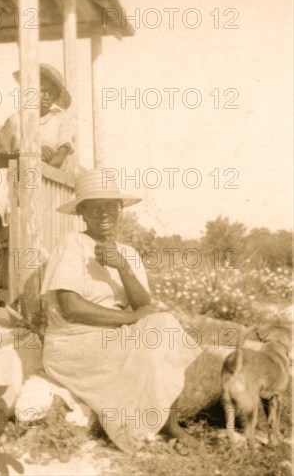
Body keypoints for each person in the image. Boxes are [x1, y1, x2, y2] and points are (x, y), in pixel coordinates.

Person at [40, 169, 202, 453]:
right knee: (151, 331)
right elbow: (70, 306)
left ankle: (171, 423)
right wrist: (129, 319)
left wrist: (122, 266)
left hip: (111, 335)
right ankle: (135, 427)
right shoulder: (73, 245)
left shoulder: (126, 252)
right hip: (73, 342)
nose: (105, 213)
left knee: (165, 326)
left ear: (119, 210)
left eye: (111, 206)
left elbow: (144, 305)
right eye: (96, 207)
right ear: (83, 213)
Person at [0, 64, 75, 287]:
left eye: (50, 91)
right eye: (38, 89)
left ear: (55, 96)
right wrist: (28, 154)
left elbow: (58, 160)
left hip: (47, 190)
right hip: (11, 184)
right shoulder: (15, 120)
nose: (44, 95)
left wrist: (33, 160)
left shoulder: (62, 121)